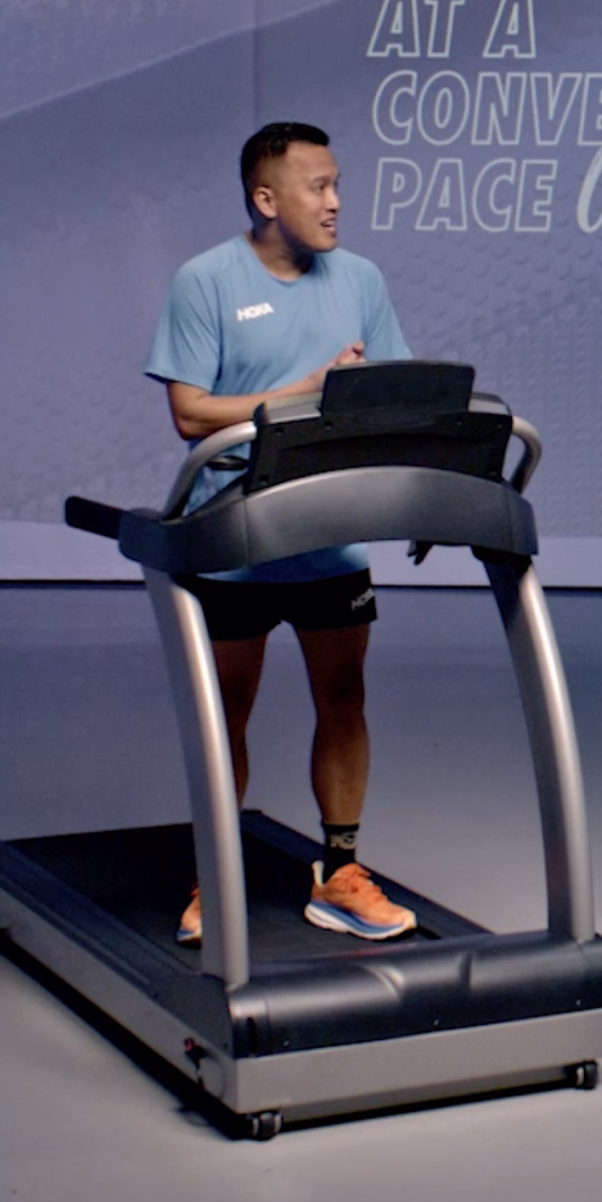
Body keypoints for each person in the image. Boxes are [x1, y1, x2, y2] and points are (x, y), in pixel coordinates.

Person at [145, 121, 418, 947]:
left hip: (330, 532)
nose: (336, 202)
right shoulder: (205, 282)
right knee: (227, 710)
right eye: (317, 187)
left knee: (344, 698)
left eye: (337, 184)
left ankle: (339, 873)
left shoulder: (361, 278)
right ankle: (217, 880)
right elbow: (190, 412)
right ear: (266, 199)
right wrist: (299, 392)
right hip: (233, 536)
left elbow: (391, 393)